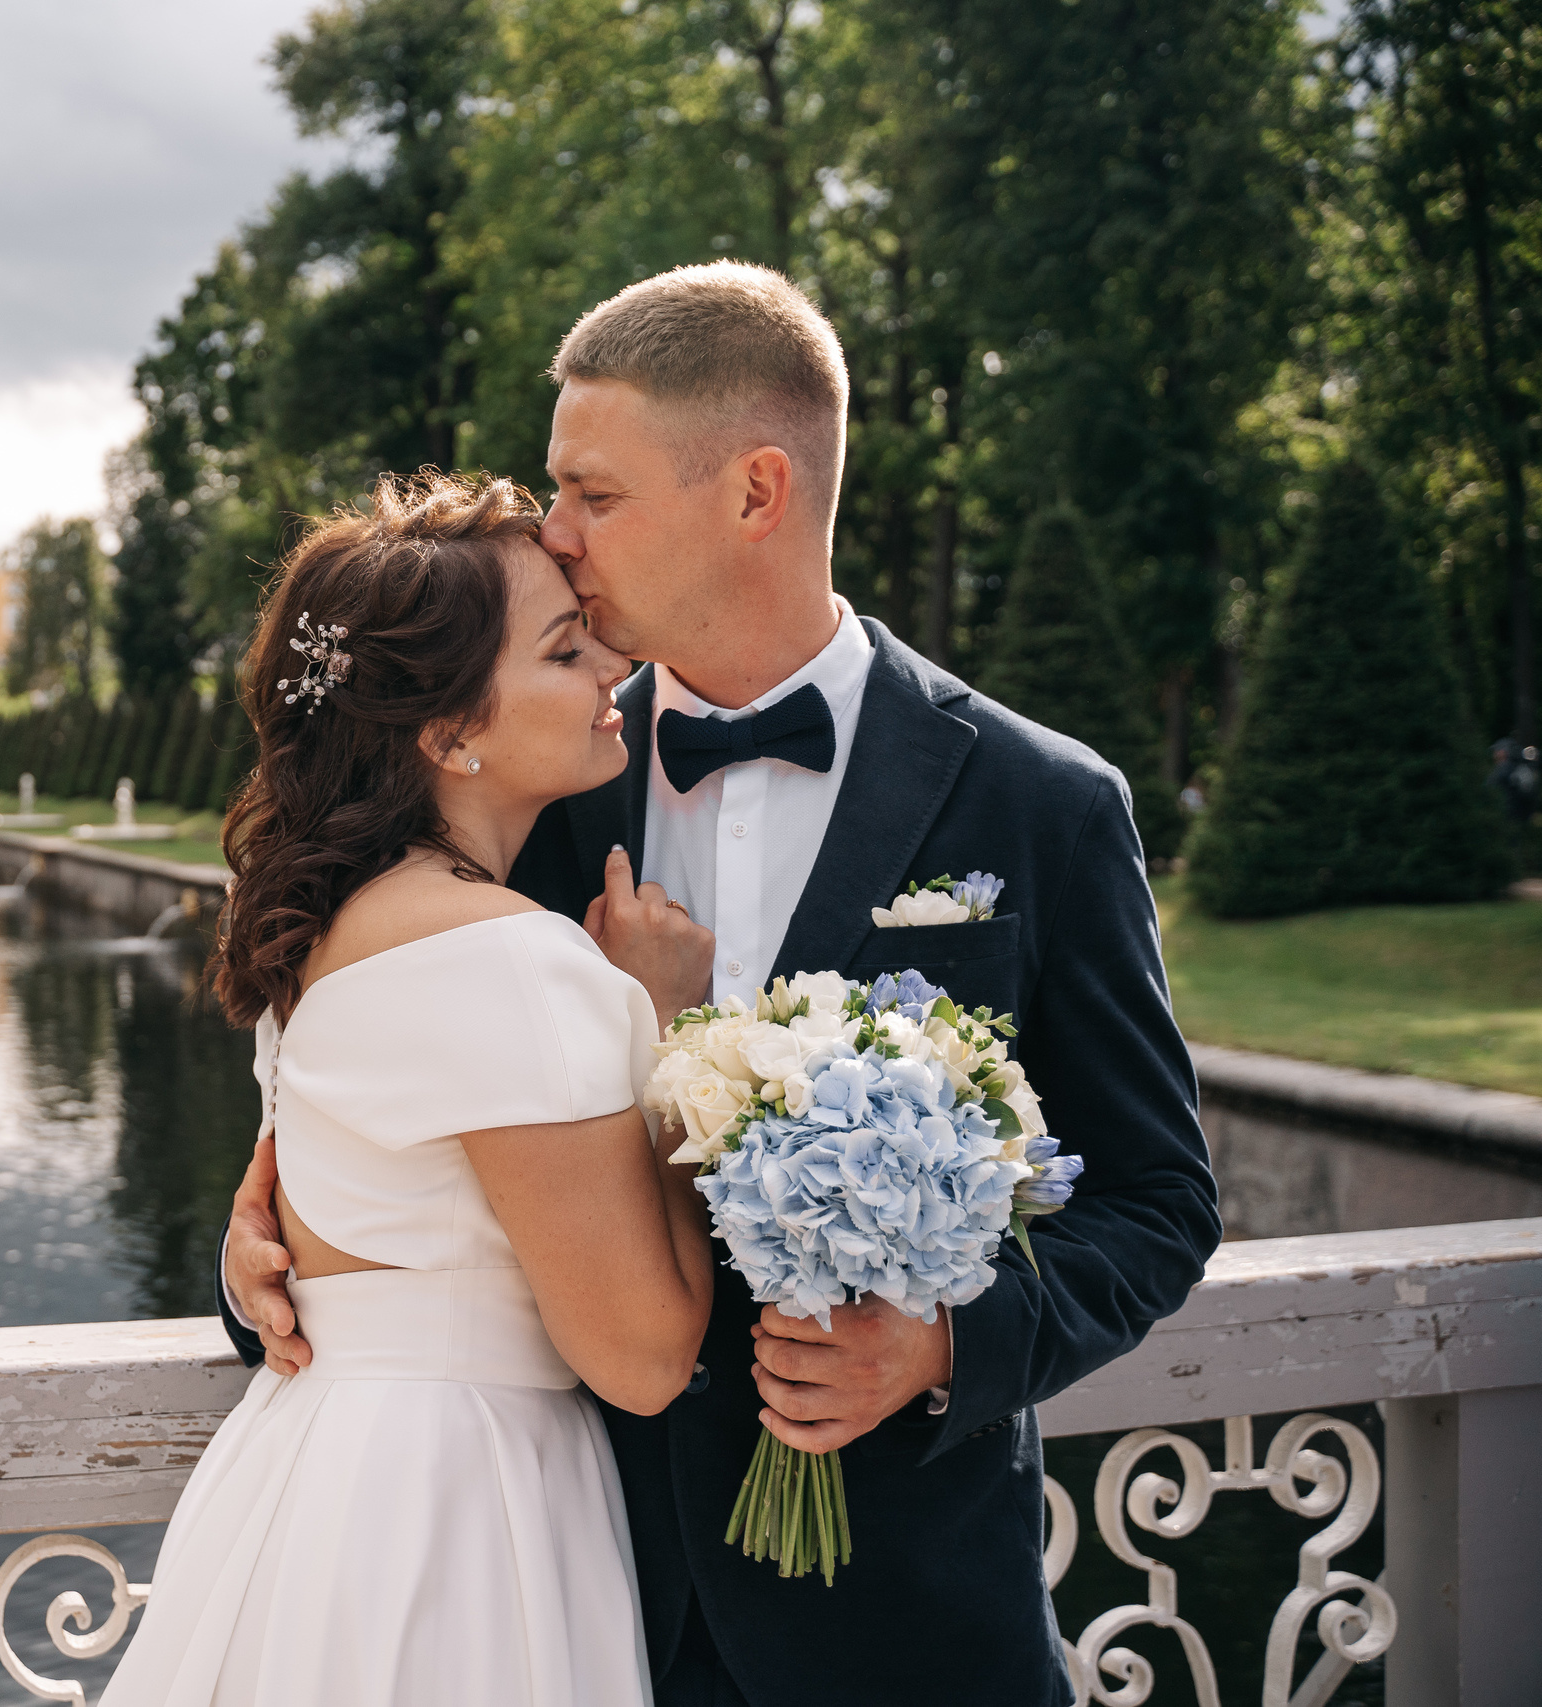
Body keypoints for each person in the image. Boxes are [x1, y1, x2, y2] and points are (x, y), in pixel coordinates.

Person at [220, 262, 1221, 1707]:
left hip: (914, 1624)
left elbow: (1157, 1199)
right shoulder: (522, 780)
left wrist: (945, 1342)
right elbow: (395, 1137)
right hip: (570, 1595)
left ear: (756, 491)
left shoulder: (1041, 802)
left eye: (594, 494)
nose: (555, 535)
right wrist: (261, 1261)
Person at [103, 473, 720, 1707]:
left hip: (317, 1474)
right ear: (445, 733)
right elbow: (646, 1359)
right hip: (461, 1506)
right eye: (565, 651)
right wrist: (666, 1030)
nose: (614, 665)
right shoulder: (509, 958)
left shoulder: (326, 925)